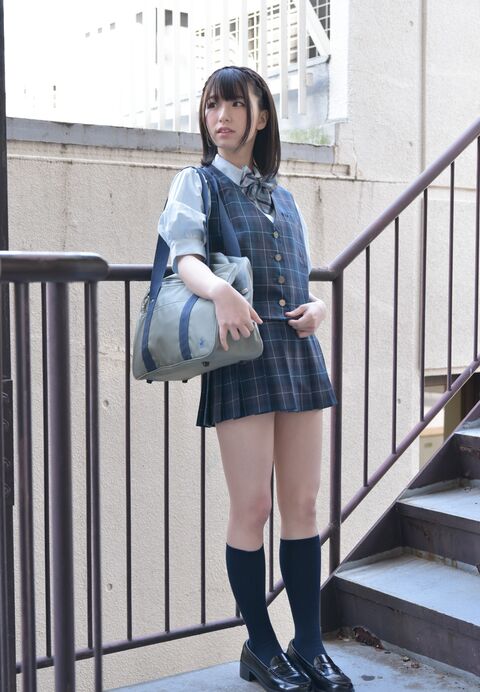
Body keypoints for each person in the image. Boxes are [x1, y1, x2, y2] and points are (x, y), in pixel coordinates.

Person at [158, 65, 354, 692]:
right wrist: (219, 292)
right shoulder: (198, 183)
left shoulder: (284, 198)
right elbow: (185, 257)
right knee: (253, 506)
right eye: (212, 105)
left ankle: (310, 646)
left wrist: (318, 309)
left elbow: (300, 278)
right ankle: (262, 646)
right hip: (240, 356)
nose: (221, 117)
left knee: (303, 505)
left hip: (295, 354)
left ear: (261, 115)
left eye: (234, 105)